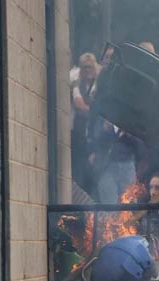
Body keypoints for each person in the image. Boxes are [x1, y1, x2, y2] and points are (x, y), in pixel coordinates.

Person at [71, 53, 100, 195]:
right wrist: (94, 111)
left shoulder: (99, 83)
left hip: (96, 138)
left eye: (91, 66)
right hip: (80, 136)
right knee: (79, 174)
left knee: (95, 177)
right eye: (85, 67)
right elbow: (79, 105)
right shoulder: (77, 82)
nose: (88, 70)